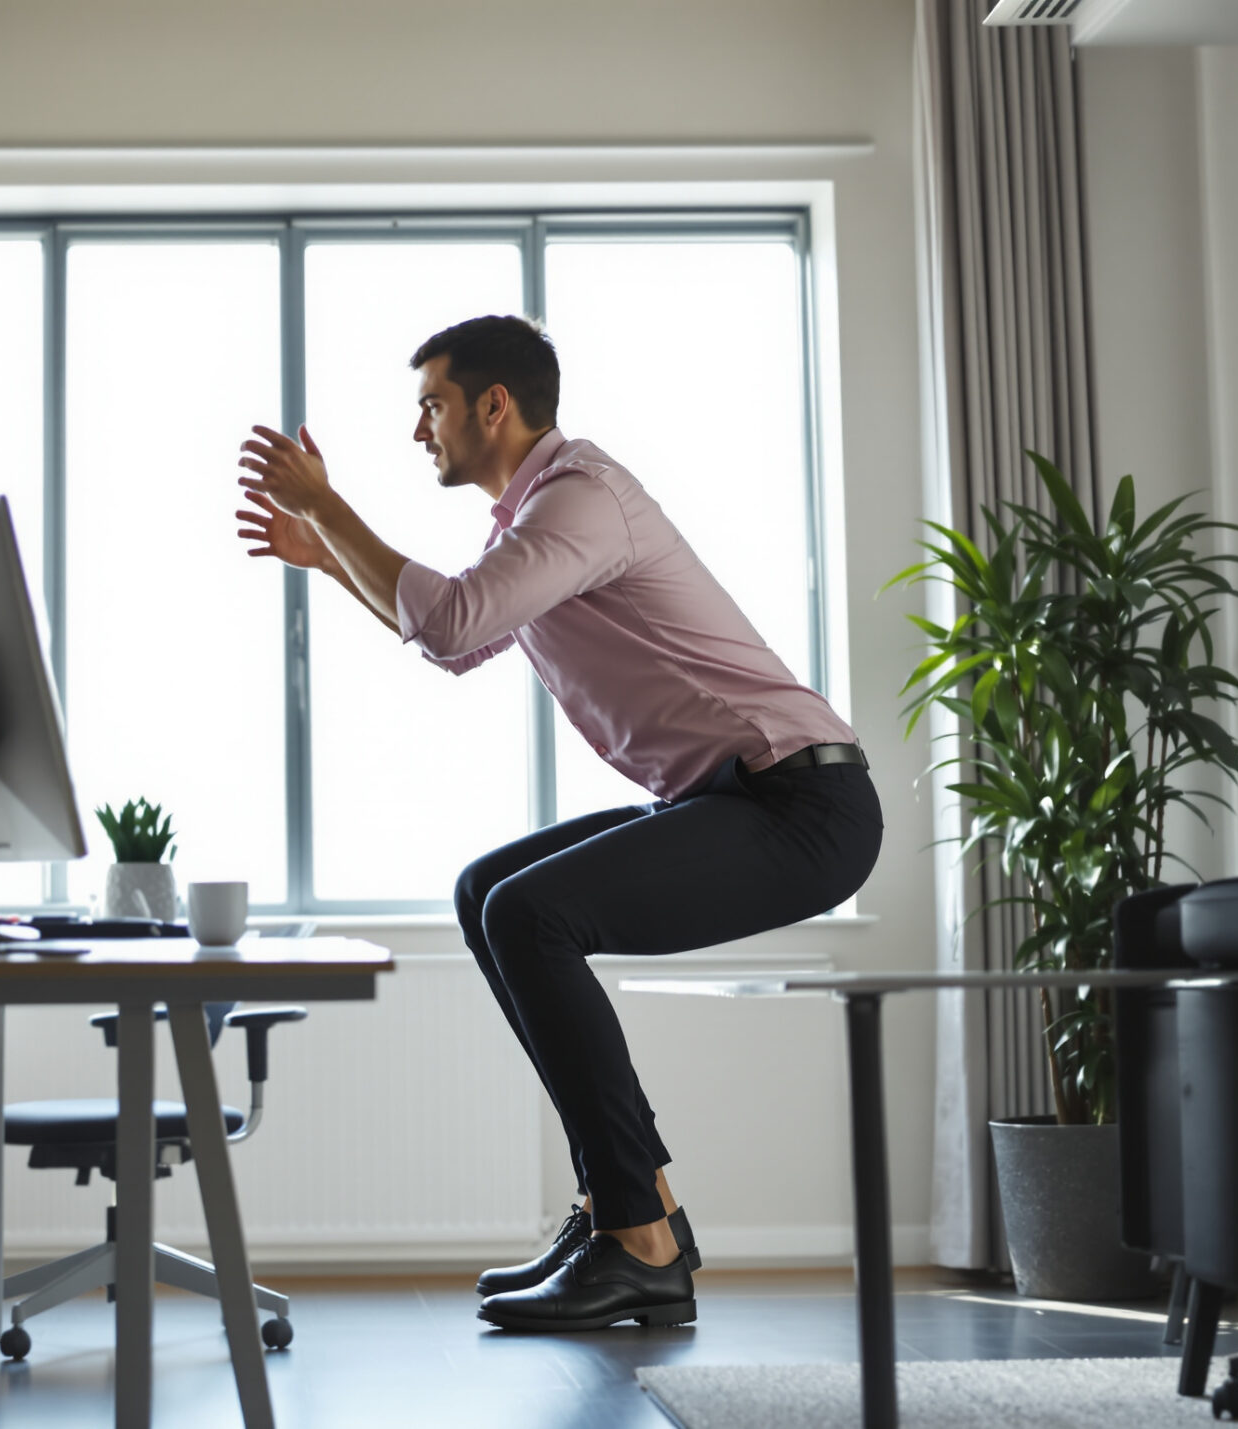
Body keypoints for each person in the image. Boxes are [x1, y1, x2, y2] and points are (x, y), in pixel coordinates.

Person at [233, 314, 881, 1332]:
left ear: (494, 405)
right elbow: (453, 640)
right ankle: (637, 1212)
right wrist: (328, 556)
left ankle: (635, 1236)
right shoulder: (533, 527)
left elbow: (447, 618)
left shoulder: (579, 500)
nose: (419, 432)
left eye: (430, 406)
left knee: (531, 913)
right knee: (488, 892)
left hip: (799, 800)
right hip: (730, 796)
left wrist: (331, 507)